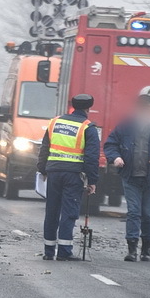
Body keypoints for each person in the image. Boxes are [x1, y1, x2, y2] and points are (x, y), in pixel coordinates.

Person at [103, 86, 150, 262]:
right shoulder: (125, 125)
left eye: (147, 108)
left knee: (148, 214)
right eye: (141, 107)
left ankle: (146, 250)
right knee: (134, 212)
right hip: (130, 176)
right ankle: (132, 250)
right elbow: (110, 144)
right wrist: (116, 158)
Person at [36, 93, 101, 261]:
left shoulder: (55, 122)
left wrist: (42, 169)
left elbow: (45, 148)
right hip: (73, 175)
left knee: (52, 211)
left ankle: (49, 251)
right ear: (88, 108)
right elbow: (92, 157)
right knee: (69, 212)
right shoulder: (88, 128)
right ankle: (64, 251)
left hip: (54, 172)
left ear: (72, 106)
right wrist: (92, 181)